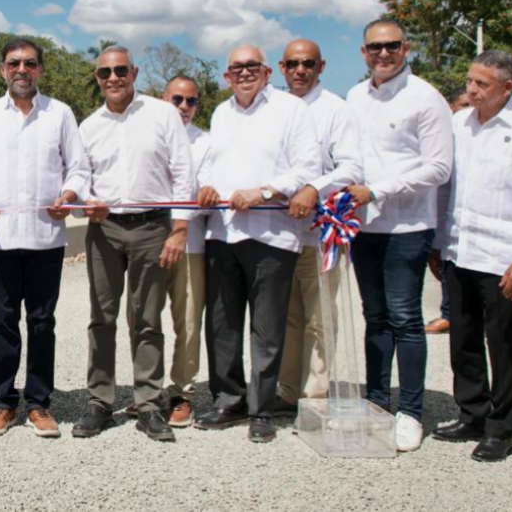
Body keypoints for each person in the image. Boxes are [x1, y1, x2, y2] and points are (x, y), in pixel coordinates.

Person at [429, 50, 512, 462]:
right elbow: (446, 188)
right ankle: (472, 413)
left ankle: (502, 427)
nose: (470, 90)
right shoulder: (457, 125)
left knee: (501, 344)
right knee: (463, 340)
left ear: (507, 88)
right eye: (469, 81)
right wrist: (438, 241)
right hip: (460, 251)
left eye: (481, 84)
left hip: (504, 258)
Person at [194, 45, 320, 444]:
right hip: (224, 232)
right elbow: (212, 162)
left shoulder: (290, 109)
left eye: (252, 66)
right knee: (222, 325)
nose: (244, 73)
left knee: (266, 328)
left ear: (267, 72)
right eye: (236, 68)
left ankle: (262, 409)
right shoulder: (221, 112)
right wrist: (207, 186)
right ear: (226, 77)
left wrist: (264, 191)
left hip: (272, 234)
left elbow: (307, 168)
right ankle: (228, 399)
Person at [0, 39, 90, 439]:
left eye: (30, 63)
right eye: (14, 63)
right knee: (3, 322)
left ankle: (38, 403)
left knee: (41, 322)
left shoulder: (61, 114)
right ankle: (3, 402)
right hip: (0, 238)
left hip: (46, 238)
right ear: (2, 69)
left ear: (40, 69)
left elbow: (78, 168)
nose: (22, 69)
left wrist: (69, 197)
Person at [74, 46, 193, 442]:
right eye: (105, 72)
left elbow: (183, 172)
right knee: (101, 318)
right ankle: (100, 401)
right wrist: (83, 203)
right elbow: (80, 176)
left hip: (152, 229)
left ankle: (148, 403)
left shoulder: (163, 115)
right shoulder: (89, 126)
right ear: (97, 77)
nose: (113, 78)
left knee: (146, 318)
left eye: (120, 70)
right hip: (104, 229)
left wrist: (179, 229)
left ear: (135, 72)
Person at [344, 19, 453, 452]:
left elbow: (439, 167)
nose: (384, 54)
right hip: (363, 226)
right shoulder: (354, 96)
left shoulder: (426, 98)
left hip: (407, 225)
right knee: (374, 316)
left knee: (405, 318)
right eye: (375, 47)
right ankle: (376, 400)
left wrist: (381, 190)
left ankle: (410, 411)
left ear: (406, 47)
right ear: (364, 51)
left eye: (391, 46)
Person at [274, 40, 362, 413]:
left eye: (307, 63)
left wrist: (313, 188)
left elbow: (350, 168)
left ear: (321, 66)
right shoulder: (273, 110)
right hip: (277, 231)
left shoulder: (335, 110)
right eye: (292, 63)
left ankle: (315, 393)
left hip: (320, 232)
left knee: (320, 318)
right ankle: (285, 390)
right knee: (286, 316)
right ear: (281, 67)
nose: (300, 70)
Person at [155, 75, 212, 428]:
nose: (184, 107)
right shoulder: (149, 134)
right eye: (177, 99)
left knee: (188, 322)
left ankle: (181, 393)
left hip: (189, 244)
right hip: (147, 243)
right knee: (142, 321)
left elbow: (204, 195)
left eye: (191, 102)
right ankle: (147, 392)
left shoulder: (207, 143)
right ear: (164, 99)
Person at [426, 88, 470, 336]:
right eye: (464, 105)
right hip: (448, 214)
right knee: (448, 266)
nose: (470, 110)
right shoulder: (446, 135)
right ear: (451, 108)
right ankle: (448, 314)